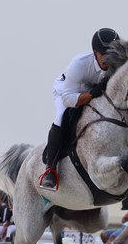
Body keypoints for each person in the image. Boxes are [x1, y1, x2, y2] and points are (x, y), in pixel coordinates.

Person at [39, 28, 120, 191]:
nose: (108, 58)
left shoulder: (118, 64)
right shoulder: (80, 64)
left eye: (112, 53)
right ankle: (50, 170)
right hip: (66, 91)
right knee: (61, 116)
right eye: (104, 53)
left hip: (92, 89)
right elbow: (68, 99)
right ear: (95, 52)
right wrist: (92, 94)